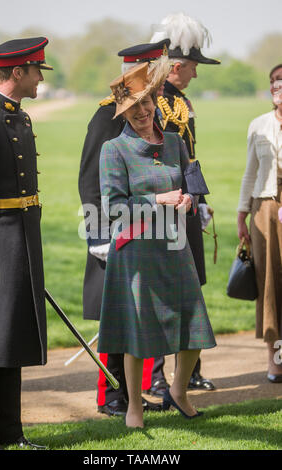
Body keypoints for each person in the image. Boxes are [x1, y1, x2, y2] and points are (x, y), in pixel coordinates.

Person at [98, 60, 216, 428]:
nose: (143, 112)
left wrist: (188, 202)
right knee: (137, 334)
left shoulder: (176, 143)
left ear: (154, 101)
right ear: (123, 112)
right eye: (133, 108)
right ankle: (134, 406)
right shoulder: (113, 150)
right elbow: (114, 208)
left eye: (146, 103)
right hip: (135, 254)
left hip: (175, 247)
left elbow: (192, 189)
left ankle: (178, 392)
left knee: (194, 326)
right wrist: (158, 201)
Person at [78, 40, 170, 417]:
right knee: (113, 314)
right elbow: (89, 179)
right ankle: (110, 395)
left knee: (140, 312)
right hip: (115, 229)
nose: (161, 84)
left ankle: (134, 394)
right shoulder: (107, 117)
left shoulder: (151, 110)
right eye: (155, 75)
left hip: (147, 228)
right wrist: (98, 233)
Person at [0, 37, 52, 450]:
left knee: (15, 335)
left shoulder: (20, 118)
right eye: (37, 70)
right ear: (18, 72)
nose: (41, 77)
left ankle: (13, 432)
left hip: (23, 239)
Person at [150, 12, 220, 390]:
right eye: (192, 66)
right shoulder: (153, 100)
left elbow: (190, 154)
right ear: (175, 66)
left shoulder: (181, 100)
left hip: (187, 204)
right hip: (163, 207)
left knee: (189, 290)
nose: (195, 73)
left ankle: (189, 370)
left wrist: (201, 199)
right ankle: (158, 376)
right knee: (163, 291)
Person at [237, 64, 282, 384]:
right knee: (270, 286)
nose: (278, 87)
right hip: (265, 209)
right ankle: (275, 355)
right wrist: (242, 213)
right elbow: (250, 172)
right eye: (274, 82)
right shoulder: (259, 125)